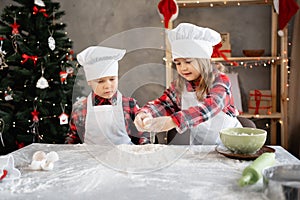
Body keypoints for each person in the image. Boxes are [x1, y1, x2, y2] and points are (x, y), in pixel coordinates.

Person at [134, 23, 242, 145]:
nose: (183, 68)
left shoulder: (220, 81)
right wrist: (145, 113)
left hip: (231, 145)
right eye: (178, 63)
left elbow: (209, 107)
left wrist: (172, 121)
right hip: (200, 148)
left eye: (188, 61)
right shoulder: (179, 86)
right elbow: (163, 104)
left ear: (203, 60)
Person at [65, 46, 149, 145]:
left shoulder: (129, 104)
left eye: (112, 79)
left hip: (124, 158)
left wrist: (143, 149)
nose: (108, 86)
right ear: (89, 82)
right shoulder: (80, 108)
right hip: (91, 159)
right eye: (100, 81)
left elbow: (142, 134)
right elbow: (73, 137)